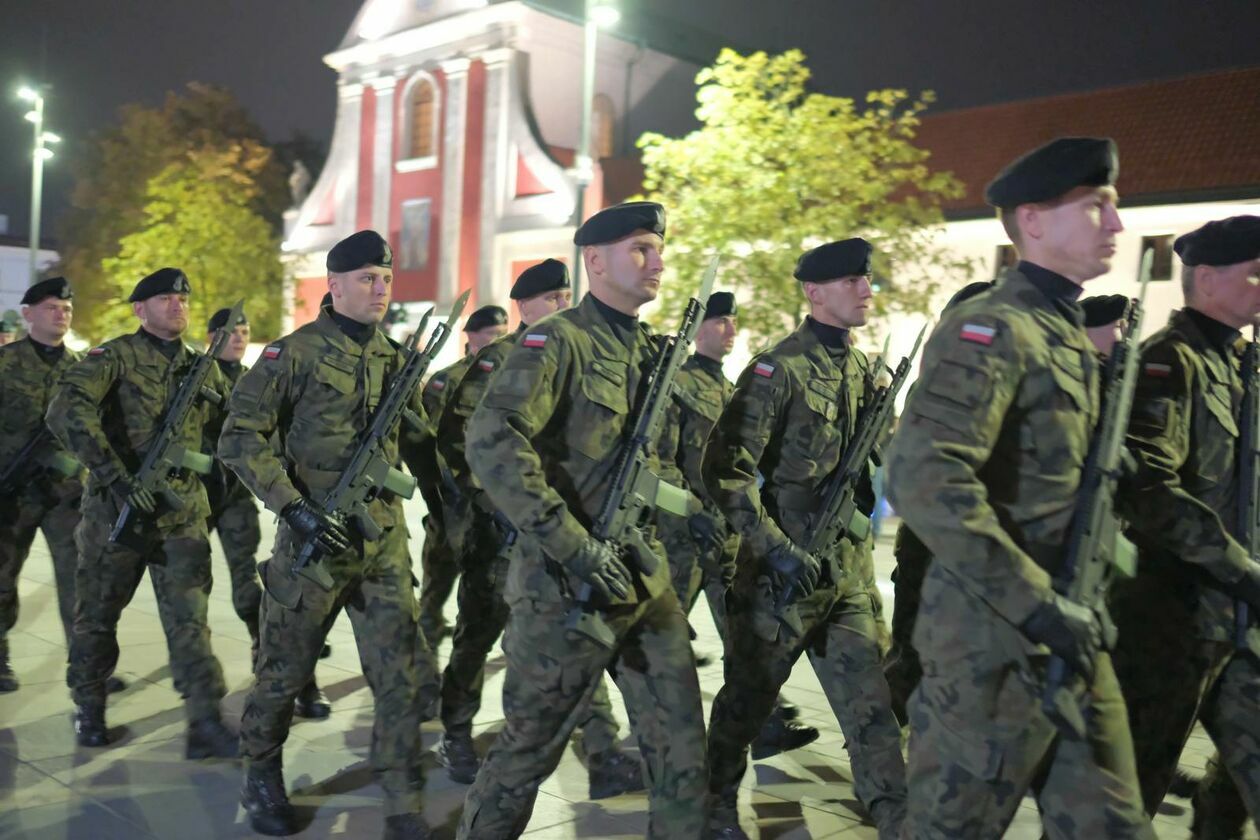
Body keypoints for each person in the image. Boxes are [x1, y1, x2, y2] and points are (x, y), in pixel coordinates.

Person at [886, 136, 1154, 838]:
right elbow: (923, 476)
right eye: (1097, 207)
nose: (1117, 226)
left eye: (1116, 208)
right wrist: (1036, 605)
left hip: (1072, 634)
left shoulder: (1064, 333)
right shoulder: (992, 327)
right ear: (1032, 221)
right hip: (990, 652)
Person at [456, 202, 708, 839]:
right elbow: (491, 437)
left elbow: (661, 460)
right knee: (525, 756)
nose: (656, 262)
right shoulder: (558, 340)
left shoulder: (654, 351)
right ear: (595, 261)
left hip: (644, 580)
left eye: (657, 249)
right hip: (564, 587)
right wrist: (571, 544)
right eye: (640, 249)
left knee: (682, 751)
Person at [219, 230, 439, 839]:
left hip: (382, 546)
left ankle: (402, 795)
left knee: (399, 675)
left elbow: (418, 441)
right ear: (334, 285)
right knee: (283, 672)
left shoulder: (395, 358)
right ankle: (260, 772)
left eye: (387, 279)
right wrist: (293, 508)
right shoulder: (293, 354)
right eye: (368, 278)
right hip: (311, 543)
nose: (380, 289)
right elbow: (239, 439)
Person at [702, 238, 907, 838]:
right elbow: (726, 471)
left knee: (872, 706)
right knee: (747, 699)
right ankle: (713, 808)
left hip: (846, 572)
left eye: (867, 280)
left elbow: (880, 461)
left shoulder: (866, 371)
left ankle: (897, 814)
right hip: (780, 570)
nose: (867, 290)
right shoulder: (777, 369)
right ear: (815, 292)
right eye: (852, 281)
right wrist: (773, 548)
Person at [434, 258, 643, 799]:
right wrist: (488, 504)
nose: (560, 305)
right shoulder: (496, 362)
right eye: (550, 298)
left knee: (580, 637)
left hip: (562, 536)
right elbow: (463, 446)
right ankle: (456, 730)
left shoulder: (581, 351)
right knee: (477, 635)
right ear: (524, 307)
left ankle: (602, 751)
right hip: (498, 531)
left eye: (565, 295)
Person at [47, 268, 237, 758]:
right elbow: (66, 411)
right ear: (140, 309)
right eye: (165, 298)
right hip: (118, 513)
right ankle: (89, 707)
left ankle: (204, 720)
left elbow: (231, 426)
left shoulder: (204, 366)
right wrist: (115, 476)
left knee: (190, 622)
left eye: (183, 298)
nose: (177, 305)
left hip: (180, 517)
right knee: (97, 618)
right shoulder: (114, 356)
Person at [1109, 215, 1260, 821]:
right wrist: (1241, 569)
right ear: (1206, 278)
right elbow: (1149, 489)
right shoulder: (1168, 364)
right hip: (1168, 624)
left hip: (1237, 623)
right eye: (1255, 275)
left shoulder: (1244, 366)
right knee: (1121, 805)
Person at [202, 306, 331, 720]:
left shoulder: (258, 377)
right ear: (211, 336)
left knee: (253, 591)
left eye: (244, 331)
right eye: (229, 331)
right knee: (188, 590)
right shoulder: (192, 376)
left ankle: (292, 675)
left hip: (238, 498)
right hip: (193, 497)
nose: (238, 337)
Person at [0, 278, 123, 694]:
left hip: (67, 494)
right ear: (29, 314)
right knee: (2, 580)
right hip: (12, 494)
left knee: (82, 582)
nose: (61, 314)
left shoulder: (84, 368)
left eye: (66, 309)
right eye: (52, 307)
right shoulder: (4, 363)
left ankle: (88, 667)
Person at [416, 304, 509, 646]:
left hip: (491, 502)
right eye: (493, 334)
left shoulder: (509, 378)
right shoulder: (447, 381)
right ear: (470, 336)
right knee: (437, 581)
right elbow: (429, 441)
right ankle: (424, 648)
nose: (500, 340)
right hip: (452, 501)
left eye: (504, 333)